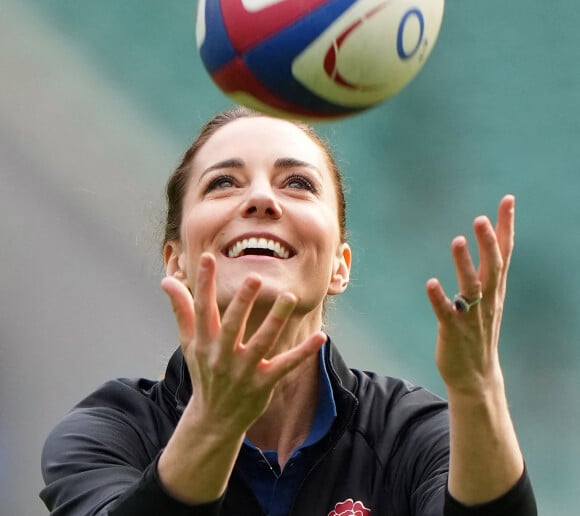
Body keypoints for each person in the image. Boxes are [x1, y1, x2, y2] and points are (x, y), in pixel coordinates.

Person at [40, 107, 537, 516]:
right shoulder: (109, 431)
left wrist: (477, 388)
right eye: (223, 183)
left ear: (340, 267)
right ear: (177, 262)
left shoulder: (412, 434)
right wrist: (213, 423)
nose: (260, 198)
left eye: (297, 182)